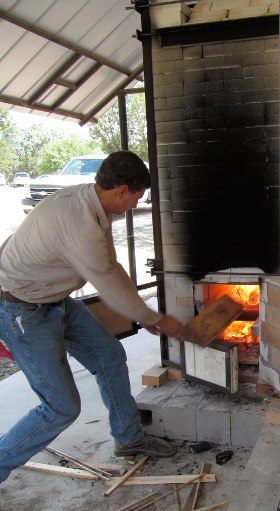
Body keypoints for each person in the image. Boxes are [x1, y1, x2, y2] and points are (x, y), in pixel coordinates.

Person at [0, 151, 185, 483]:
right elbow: (107, 281)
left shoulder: (93, 205)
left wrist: (142, 314)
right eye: (137, 197)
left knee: (109, 355)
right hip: (20, 308)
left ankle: (129, 440)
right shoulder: (80, 222)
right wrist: (155, 317)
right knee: (61, 407)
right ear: (121, 190)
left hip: (54, 299)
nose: (135, 205)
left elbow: (111, 268)